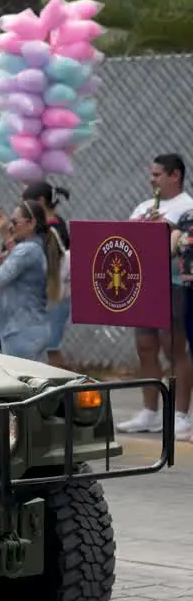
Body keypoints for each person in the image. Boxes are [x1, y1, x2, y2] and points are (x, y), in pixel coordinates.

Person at [116, 154, 193, 437]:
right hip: (143, 284)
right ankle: (150, 412)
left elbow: (185, 245)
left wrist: (169, 228)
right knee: (145, 347)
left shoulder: (188, 207)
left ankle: (181, 415)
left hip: (174, 284)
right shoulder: (144, 206)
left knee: (174, 348)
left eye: (157, 174)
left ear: (175, 176)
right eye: (152, 174)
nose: (152, 180)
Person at [0, 201, 64, 361]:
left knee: (19, 381)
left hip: (21, 332)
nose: (11, 227)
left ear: (31, 223)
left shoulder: (27, 250)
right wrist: (5, 234)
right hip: (34, 330)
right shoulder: (34, 248)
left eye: (15, 222)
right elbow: (17, 261)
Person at [6, 182, 73, 368]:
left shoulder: (53, 229)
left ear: (40, 202)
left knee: (51, 348)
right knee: (47, 348)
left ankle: (69, 389)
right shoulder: (49, 226)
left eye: (26, 204)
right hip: (48, 294)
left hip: (54, 294)